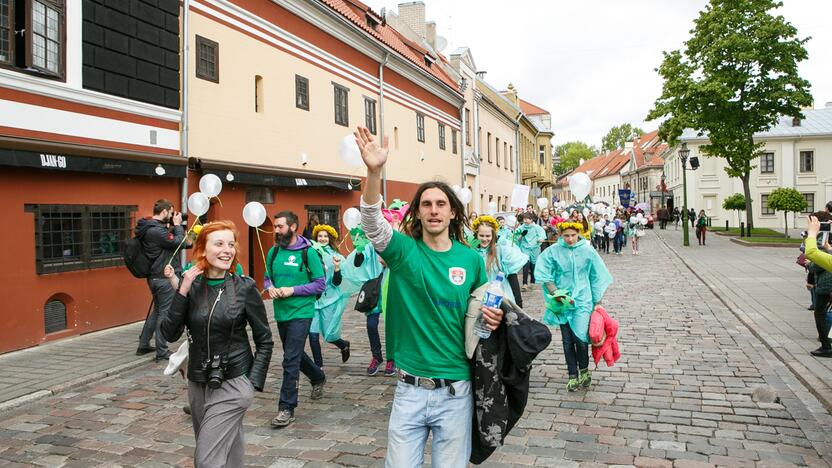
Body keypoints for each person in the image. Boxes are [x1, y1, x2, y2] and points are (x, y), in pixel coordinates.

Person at [354, 126, 501, 467]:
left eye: (441, 204)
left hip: (457, 390)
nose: (434, 210)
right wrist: (374, 171)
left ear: (453, 212)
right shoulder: (404, 252)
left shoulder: (471, 260)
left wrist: (493, 319)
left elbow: (480, 315)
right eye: (426, 205)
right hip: (410, 390)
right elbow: (372, 222)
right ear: (418, 213)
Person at [161, 221, 273, 467]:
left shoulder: (244, 287)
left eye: (231, 244)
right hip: (198, 382)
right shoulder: (190, 286)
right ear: (202, 249)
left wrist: (251, 382)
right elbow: (169, 333)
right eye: (219, 243)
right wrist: (182, 290)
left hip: (233, 382)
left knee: (206, 459)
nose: (227, 250)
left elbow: (264, 339)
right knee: (230, 450)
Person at [266, 211, 327, 428]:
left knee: (290, 359)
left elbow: (320, 284)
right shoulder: (273, 252)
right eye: (275, 226)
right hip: (281, 312)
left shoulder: (307, 253)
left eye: (280, 226)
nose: (276, 231)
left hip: (302, 312)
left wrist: (292, 290)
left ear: (292, 227)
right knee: (295, 354)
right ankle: (317, 376)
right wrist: (270, 288)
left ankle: (286, 407)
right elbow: (267, 278)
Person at [536, 221, 612, 392]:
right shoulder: (553, 251)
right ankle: (572, 375)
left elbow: (596, 275)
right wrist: (557, 293)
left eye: (573, 235)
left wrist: (597, 301)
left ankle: (584, 370)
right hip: (562, 300)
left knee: (581, 338)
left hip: (583, 300)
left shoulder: (587, 250)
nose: (570, 239)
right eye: (566, 236)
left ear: (579, 234)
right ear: (561, 235)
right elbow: (544, 272)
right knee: (567, 340)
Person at [135, 199, 186, 361]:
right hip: (164, 277)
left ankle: (143, 345)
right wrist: (178, 225)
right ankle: (162, 351)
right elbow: (178, 242)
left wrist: (178, 229)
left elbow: (183, 244)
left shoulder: (151, 228)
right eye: (171, 213)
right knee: (164, 313)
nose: (172, 216)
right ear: (164, 212)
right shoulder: (156, 231)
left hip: (155, 276)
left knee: (157, 311)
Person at [343, 243, 395, 376]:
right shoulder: (369, 246)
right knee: (371, 325)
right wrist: (359, 251)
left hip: (392, 287)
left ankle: (392, 359)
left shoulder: (394, 241)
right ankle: (376, 357)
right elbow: (358, 262)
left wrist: (390, 261)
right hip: (374, 289)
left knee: (392, 326)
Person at [308, 224, 351, 369]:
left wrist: (337, 267)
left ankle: (344, 345)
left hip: (329, 299)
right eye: (320, 236)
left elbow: (337, 282)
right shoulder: (310, 253)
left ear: (330, 238)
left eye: (325, 236)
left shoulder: (337, 256)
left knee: (329, 334)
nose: (322, 238)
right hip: (313, 299)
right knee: (312, 334)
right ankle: (318, 367)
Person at [473, 215, 528, 308]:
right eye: (481, 235)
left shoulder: (501, 251)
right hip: (479, 299)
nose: (484, 239)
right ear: (476, 234)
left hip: (502, 299)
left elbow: (512, 277)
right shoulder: (472, 254)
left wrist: (518, 303)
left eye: (488, 236)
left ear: (493, 235)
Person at [804, 213, 832, 357]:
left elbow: (811, 252)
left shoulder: (821, 237)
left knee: (821, 313)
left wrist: (812, 233)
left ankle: (827, 345)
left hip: (826, 284)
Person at [517, 212, 547, 291]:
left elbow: (542, 235)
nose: (525, 220)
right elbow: (517, 237)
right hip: (525, 247)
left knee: (533, 265)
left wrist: (540, 239)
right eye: (524, 219)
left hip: (534, 248)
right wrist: (521, 235)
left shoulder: (536, 227)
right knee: (525, 264)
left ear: (531, 219)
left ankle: (533, 282)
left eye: (527, 219)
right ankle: (524, 283)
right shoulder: (522, 227)